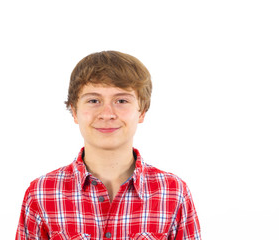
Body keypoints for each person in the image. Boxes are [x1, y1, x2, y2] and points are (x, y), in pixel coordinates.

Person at [16, 51, 201, 240]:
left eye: (121, 101)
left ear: (142, 111)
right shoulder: (41, 193)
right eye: (93, 100)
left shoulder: (174, 193)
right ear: (74, 111)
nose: (107, 114)